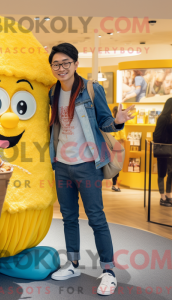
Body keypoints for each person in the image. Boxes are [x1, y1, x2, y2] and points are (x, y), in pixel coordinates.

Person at [48, 43, 135, 296]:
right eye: (56, 64)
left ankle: (108, 271)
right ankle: (73, 264)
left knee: (96, 218)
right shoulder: (52, 92)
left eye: (66, 63)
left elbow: (105, 121)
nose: (61, 68)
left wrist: (117, 121)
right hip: (62, 166)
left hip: (88, 165)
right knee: (68, 218)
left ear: (76, 64)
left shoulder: (91, 89)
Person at [153, 98, 172, 207]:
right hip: (163, 149)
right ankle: (162, 197)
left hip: (170, 149)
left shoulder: (170, 118)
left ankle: (169, 195)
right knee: (162, 172)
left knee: (171, 172)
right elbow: (157, 134)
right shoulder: (163, 118)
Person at [111, 106, 126, 192]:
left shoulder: (111, 121)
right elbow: (123, 137)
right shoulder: (120, 122)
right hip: (118, 147)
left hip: (110, 146)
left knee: (112, 166)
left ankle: (114, 184)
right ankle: (114, 185)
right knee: (117, 166)